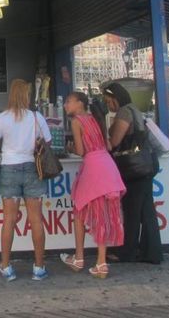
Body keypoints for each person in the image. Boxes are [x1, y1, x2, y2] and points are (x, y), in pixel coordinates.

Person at [0, 78, 52, 282]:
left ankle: (6, 266)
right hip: (33, 169)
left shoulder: (1, 118)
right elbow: (48, 142)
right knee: (36, 220)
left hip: (9, 169)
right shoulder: (36, 117)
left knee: (9, 220)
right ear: (26, 95)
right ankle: (39, 267)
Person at [59, 91, 126, 278]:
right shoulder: (96, 118)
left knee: (79, 209)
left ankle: (79, 258)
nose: (66, 105)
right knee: (102, 214)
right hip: (108, 166)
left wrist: (71, 147)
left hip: (93, 168)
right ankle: (101, 262)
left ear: (80, 103)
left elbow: (81, 150)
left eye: (68, 101)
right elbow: (109, 146)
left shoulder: (76, 122)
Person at [105, 82, 163, 264]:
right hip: (146, 165)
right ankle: (152, 252)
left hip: (133, 168)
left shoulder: (124, 112)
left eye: (108, 101)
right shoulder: (135, 109)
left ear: (116, 98)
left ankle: (127, 252)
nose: (108, 105)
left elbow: (114, 142)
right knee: (146, 212)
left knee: (131, 211)